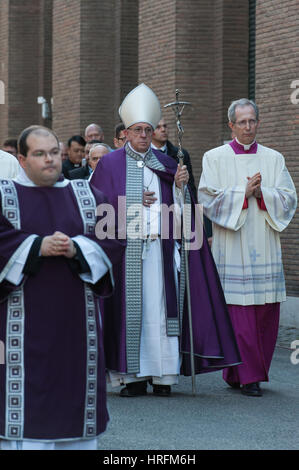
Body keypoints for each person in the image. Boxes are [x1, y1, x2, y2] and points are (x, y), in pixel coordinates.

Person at [91, 83, 241, 398]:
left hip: (161, 250)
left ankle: (164, 376)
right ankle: (132, 378)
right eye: (138, 130)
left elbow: (186, 216)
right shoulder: (109, 165)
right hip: (127, 254)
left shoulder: (171, 165)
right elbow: (97, 212)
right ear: (126, 133)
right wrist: (131, 202)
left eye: (148, 129)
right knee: (132, 314)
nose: (144, 135)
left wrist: (180, 189)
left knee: (161, 312)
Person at [0, 125, 124, 450]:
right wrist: (35, 247)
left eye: (54, 152)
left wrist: (76, 249)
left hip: (76, 335)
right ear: (23, 159)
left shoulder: (86, 195)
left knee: (76, 421)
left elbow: (113, 236)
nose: (50, 160)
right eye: (40, 154)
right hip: (21, 335)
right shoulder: (4, 195)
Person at [198, 98, 297, 397]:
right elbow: (206, 199)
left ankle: (240, 371)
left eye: (252, 120)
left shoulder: (274, 158)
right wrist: (243, 193)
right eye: (242, 122)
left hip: (264, 244)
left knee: (265, 312)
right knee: (239, 314)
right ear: (231, 125)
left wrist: (261, 193)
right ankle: (248, 376)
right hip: (233, 246)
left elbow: (289, 198)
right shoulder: (214, 157)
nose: (248, 126)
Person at [152, 118, 213, 242]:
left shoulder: (181, 154)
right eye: (158, 127)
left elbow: (190, 186)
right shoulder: (147, 155)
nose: (163, 129)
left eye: (165, 126)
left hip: (178, 208)